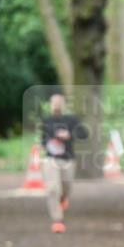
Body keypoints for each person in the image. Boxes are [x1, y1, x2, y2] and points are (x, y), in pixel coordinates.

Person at [40, 93, 84, 233]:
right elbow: (43, 140)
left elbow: (84, 134)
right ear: (51, 104)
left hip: (68, 159)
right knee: (52, 189)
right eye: (54, 102)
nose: (57, 105)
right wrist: (48, 143)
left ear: (64, 104)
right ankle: (57, 220)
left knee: (66, 187)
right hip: (51, 159)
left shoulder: (71, 120)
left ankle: (64, 198)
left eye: (59, 102)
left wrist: (69, 135)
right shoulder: (46, 121)